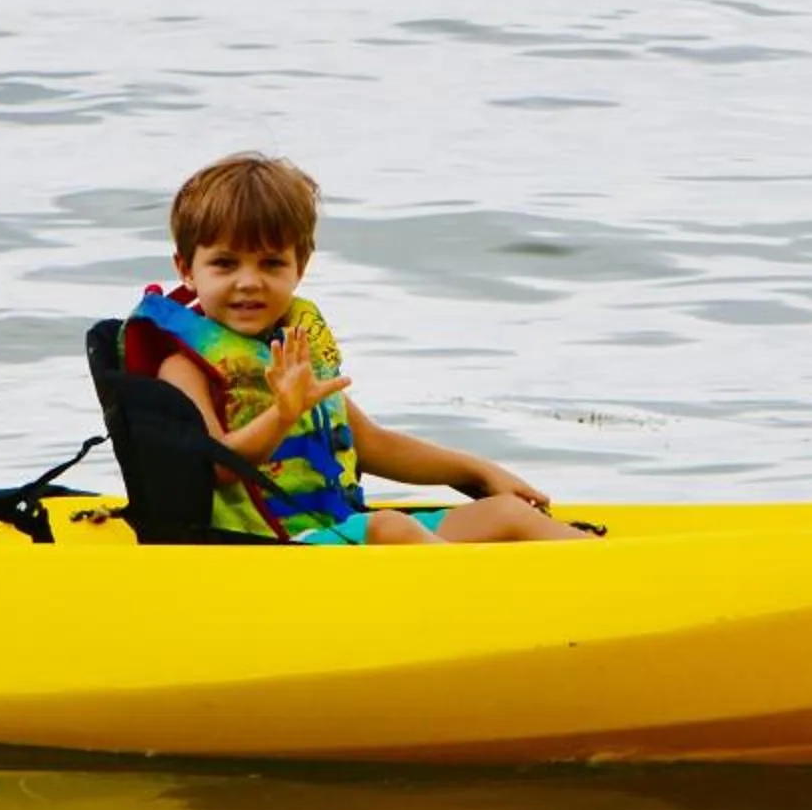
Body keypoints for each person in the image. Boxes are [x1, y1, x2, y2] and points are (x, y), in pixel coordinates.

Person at [134, 152, 594, 545]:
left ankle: (608, 574)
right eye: (224, 264)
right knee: (392, 529)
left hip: (335, 529)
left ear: (301, 266)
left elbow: (372, 444)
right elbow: (216, 469)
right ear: (187, 269)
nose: (249, 281)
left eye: (272, 263)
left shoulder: (292, 349)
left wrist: (479, 472)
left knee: (506, 514)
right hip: (272, 548)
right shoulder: (184, 367)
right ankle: (492, 603)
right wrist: (282, 415)